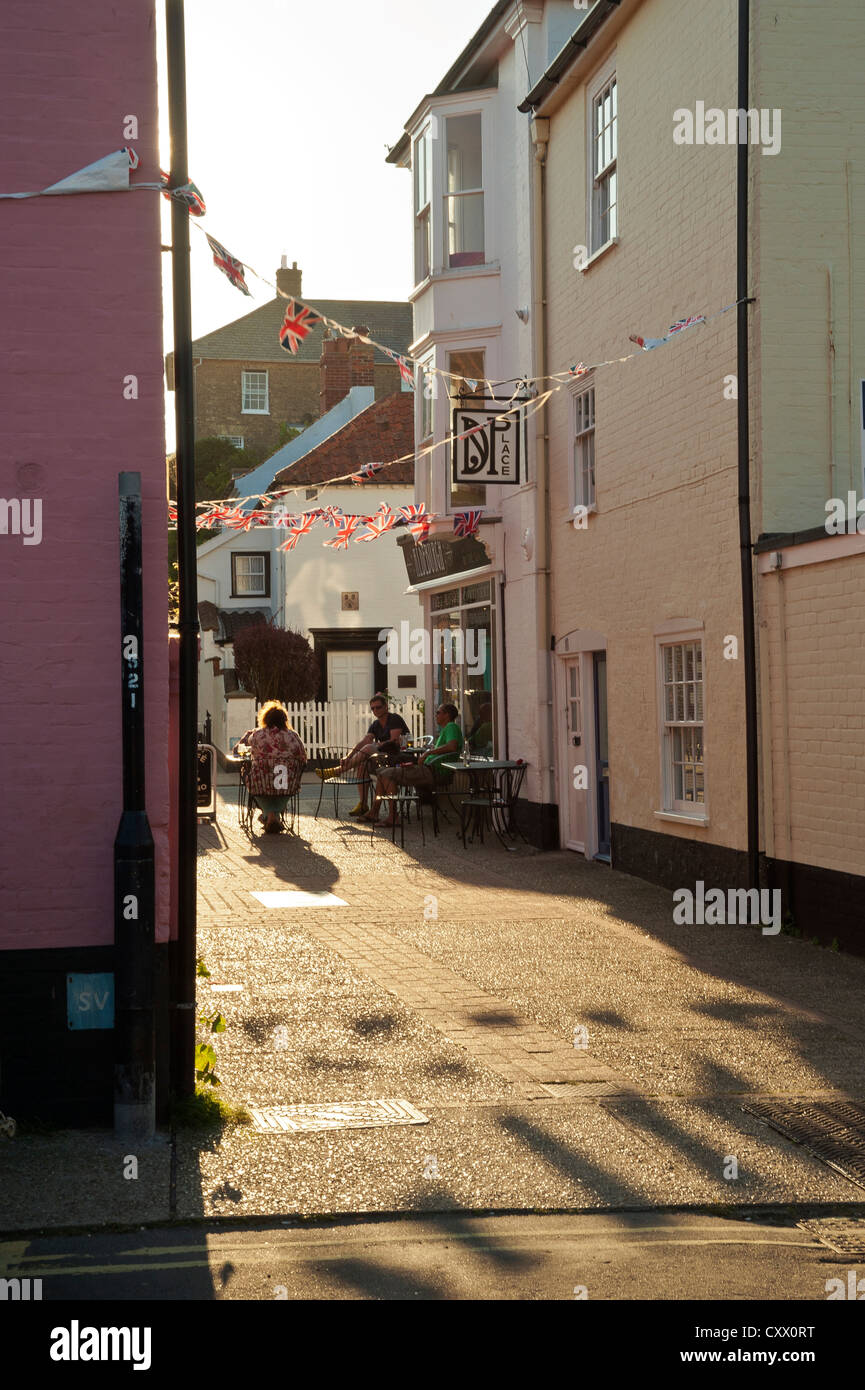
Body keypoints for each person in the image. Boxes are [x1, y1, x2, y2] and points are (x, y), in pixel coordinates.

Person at [365, 703, 463, 828]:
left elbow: (452, 746)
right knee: (382, 772)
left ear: (447, 715)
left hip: (434, 771)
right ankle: (375, 812)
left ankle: (392, 817)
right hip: (429, 769)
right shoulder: (446, 729)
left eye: (438, 712)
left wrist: (429, 752)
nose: (435, 715)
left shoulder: (451, 726)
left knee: (385, 774)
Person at [316, 693, 410, 816]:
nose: (375, 710)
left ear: (386, 707)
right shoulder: (376, 724)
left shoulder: (394, 719)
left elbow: (394, 741)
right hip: (382, 759)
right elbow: (364, 741)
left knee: (370, 747)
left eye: (378, 707)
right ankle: (363, 804)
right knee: (362, 764)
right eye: (373, 708)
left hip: (396, 757)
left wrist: (378, 745)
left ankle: (338, 771)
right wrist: (348, 756)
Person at [236, 701, 306, 834]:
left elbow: (246, 743)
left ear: (265, 719)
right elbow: (303, 758)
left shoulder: (258, 735)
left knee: (246, 772)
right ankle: (273, 816)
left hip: (261, 783)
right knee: (279, 786)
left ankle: (268, 815)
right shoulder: (293, 735)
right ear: (284, 719)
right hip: (286, 784)